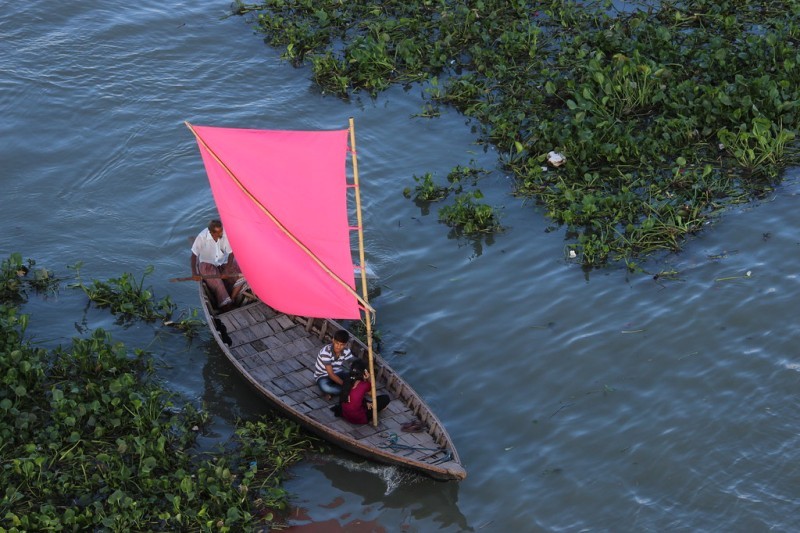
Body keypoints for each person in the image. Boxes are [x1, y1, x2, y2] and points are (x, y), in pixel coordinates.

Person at [190, 219, 246, 311]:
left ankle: (232, 298)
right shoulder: (202, 237)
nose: (221, 234)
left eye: (221, 231)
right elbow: (193, 256)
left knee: (243, 274)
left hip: (222, 261)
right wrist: (194, 273)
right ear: (211, 232)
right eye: (218, 232)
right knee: (218, 284)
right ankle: (226, 305)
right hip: (207, 264)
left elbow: (231, 254)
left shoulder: (224, 235)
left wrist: (227, 270)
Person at [339, 359, 389, 425]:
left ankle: (366, 404)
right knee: (385, 398)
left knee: (357, 397)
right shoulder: (364, 385)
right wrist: (369, 378)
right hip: (358, 418)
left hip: (345, 414)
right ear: (364, 372)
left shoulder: (347, 380)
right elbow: (372, 394)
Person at [314, 329, 354, 398]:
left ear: (346, 344)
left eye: (342, 345)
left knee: (352, 376)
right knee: (326, 388)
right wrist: (345, 386)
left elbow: (353, 364)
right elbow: (331, 374)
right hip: (322, 376)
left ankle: (341, 391)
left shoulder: (346, 351)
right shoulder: (326, 352)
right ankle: (349, 391)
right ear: (333, 340)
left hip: (337, 372)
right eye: (337, 343)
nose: (338, 346)